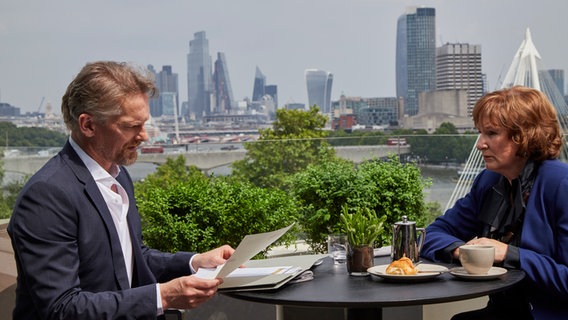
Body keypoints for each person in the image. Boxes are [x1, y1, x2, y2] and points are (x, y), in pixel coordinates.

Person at [8, 61, 235, 319]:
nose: (145, 136)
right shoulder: (47, 196)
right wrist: (163, 296)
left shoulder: (118, 175)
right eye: (131, 126)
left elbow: (131, 257)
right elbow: (62, 308)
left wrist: (194, 262)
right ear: (88, 125)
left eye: (144, 123)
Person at [421, 86, 568, 319]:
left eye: (491, 133)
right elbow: (432, 233)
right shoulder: (490, 182)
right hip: (506, 310)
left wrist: (508, 253)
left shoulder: (560, 184)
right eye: (480, 133)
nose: (480, 144)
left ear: (524, 136)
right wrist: (462, 251)